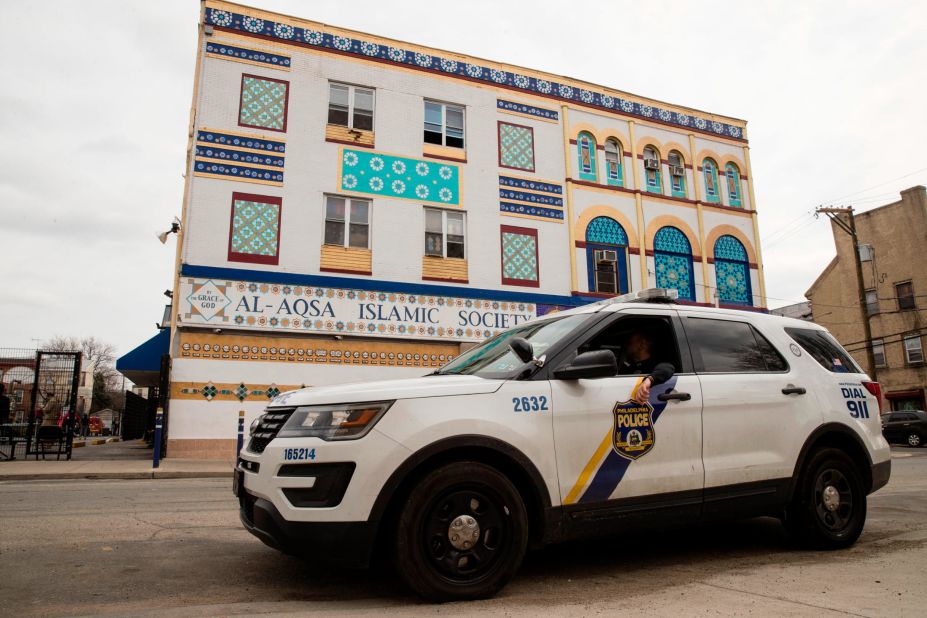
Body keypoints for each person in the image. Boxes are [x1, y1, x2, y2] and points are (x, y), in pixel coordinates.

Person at [618, 332, 675, 404]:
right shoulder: (628, 367)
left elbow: (668, 367)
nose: (626, 346)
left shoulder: (656, 364)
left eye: (630, 343)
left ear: (642, 345)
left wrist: (649, 380)